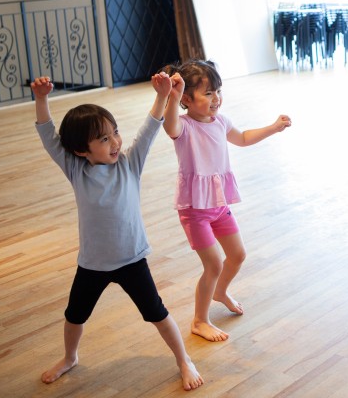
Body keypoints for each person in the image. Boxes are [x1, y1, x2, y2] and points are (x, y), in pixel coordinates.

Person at [30, 74, 203, 391]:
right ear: (82, 151)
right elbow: (49, 137)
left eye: (115, 133)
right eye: (104, 140)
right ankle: (70, 357)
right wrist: (41, 99)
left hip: (132, 260)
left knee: (157, 314)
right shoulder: (76, 170)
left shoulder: (129, 163)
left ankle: (183, 359)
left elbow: (150, 127)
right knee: (74, 317)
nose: (116, 143)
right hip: (93, 264)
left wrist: (163, 95)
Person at [159, 59, 292, 342]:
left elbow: (242, 138)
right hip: (195, 211)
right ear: (186, 99)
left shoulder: (220, 121)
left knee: (238, 255)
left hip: (219, 205)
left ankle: (220, 291)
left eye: (217, 91)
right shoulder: (183, 127)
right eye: (207, 93)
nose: (216, 98)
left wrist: (272, 127)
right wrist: (170, 97)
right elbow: (169, 126)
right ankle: (199, 320)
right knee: (214, 265)